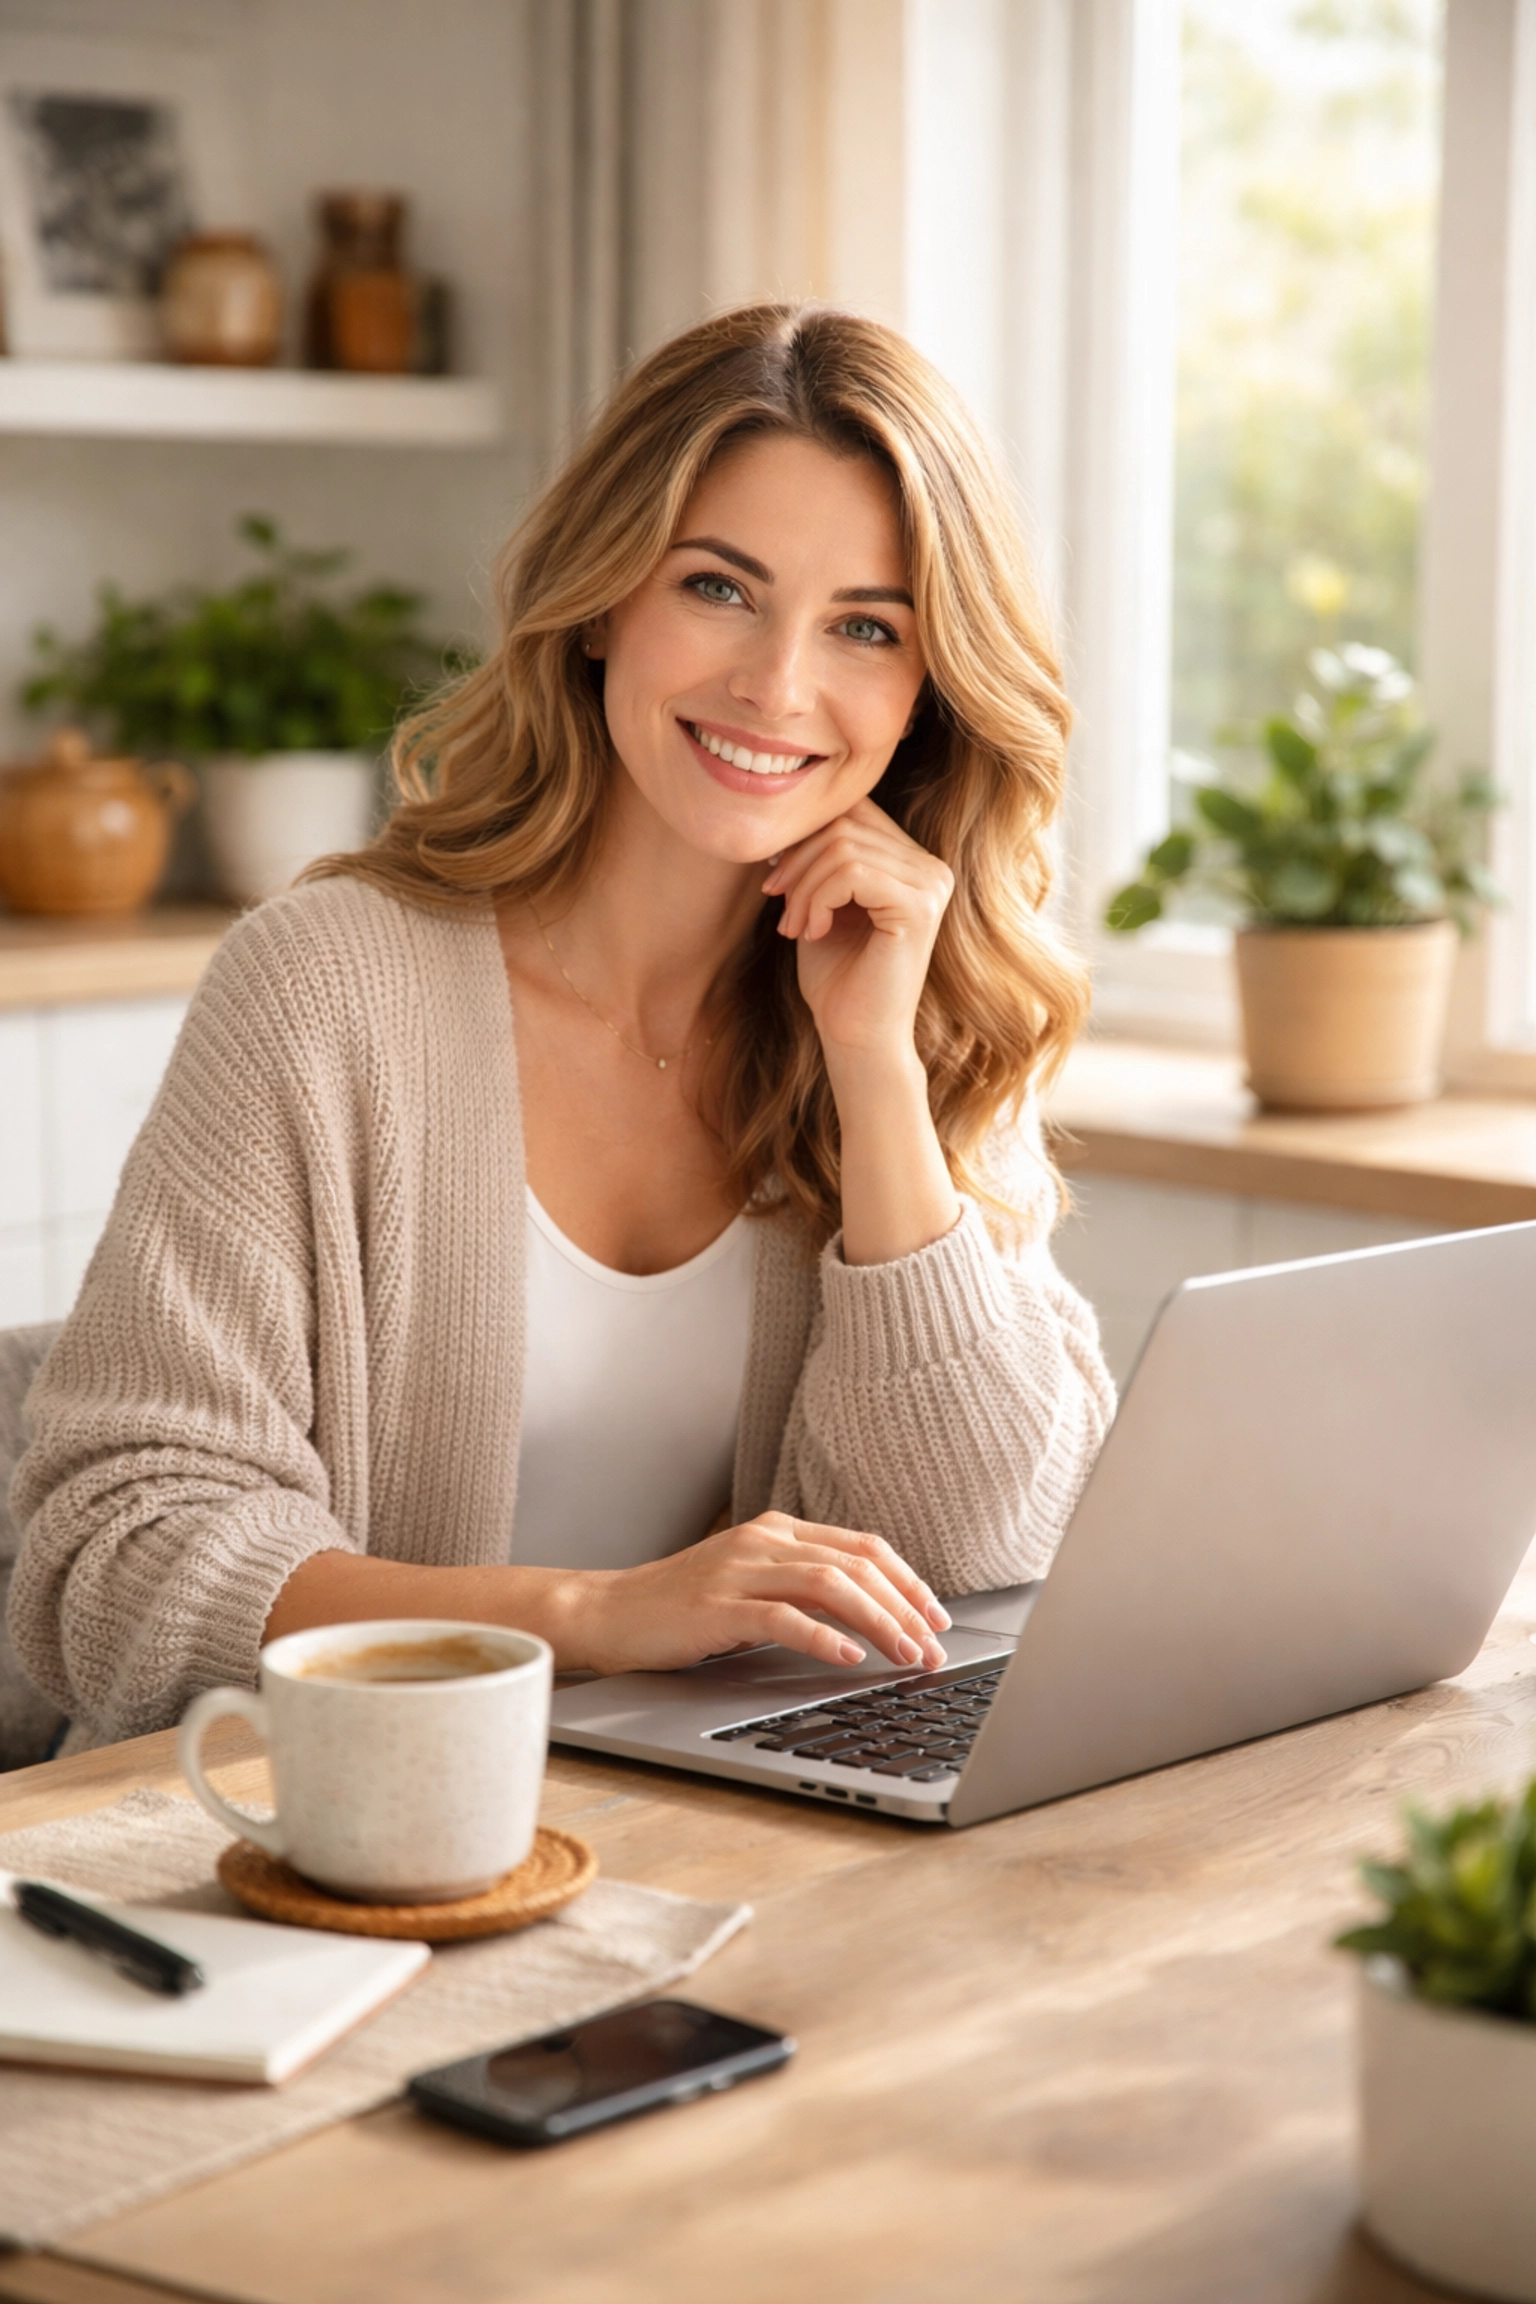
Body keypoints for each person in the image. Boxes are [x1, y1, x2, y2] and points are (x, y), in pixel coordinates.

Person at [9, 304, 1114, 1751]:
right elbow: (115, 1550)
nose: (778, 686)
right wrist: (591, 1617)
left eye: (866, 627)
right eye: (718, 588)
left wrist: (875, 1074)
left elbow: (977, 1552)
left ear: (927, 693)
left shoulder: (920, 1010)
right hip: (297, 1829)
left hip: (709, 1833)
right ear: (602, 602)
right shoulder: (326, 986)